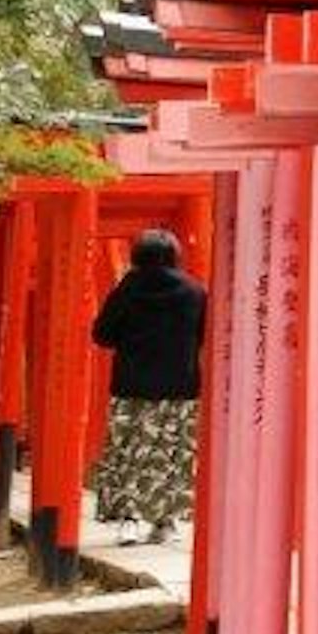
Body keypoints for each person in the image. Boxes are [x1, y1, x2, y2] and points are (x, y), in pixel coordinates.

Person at [89, 228, 206, 545]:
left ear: (137, 255)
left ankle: (129, 520)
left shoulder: (127, 289)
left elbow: (102, 335)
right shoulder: (195, 291)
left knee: (130, 450)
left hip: (132, 386)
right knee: (172, 452)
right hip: (179, 387)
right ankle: (166, 521)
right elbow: (205, 335)